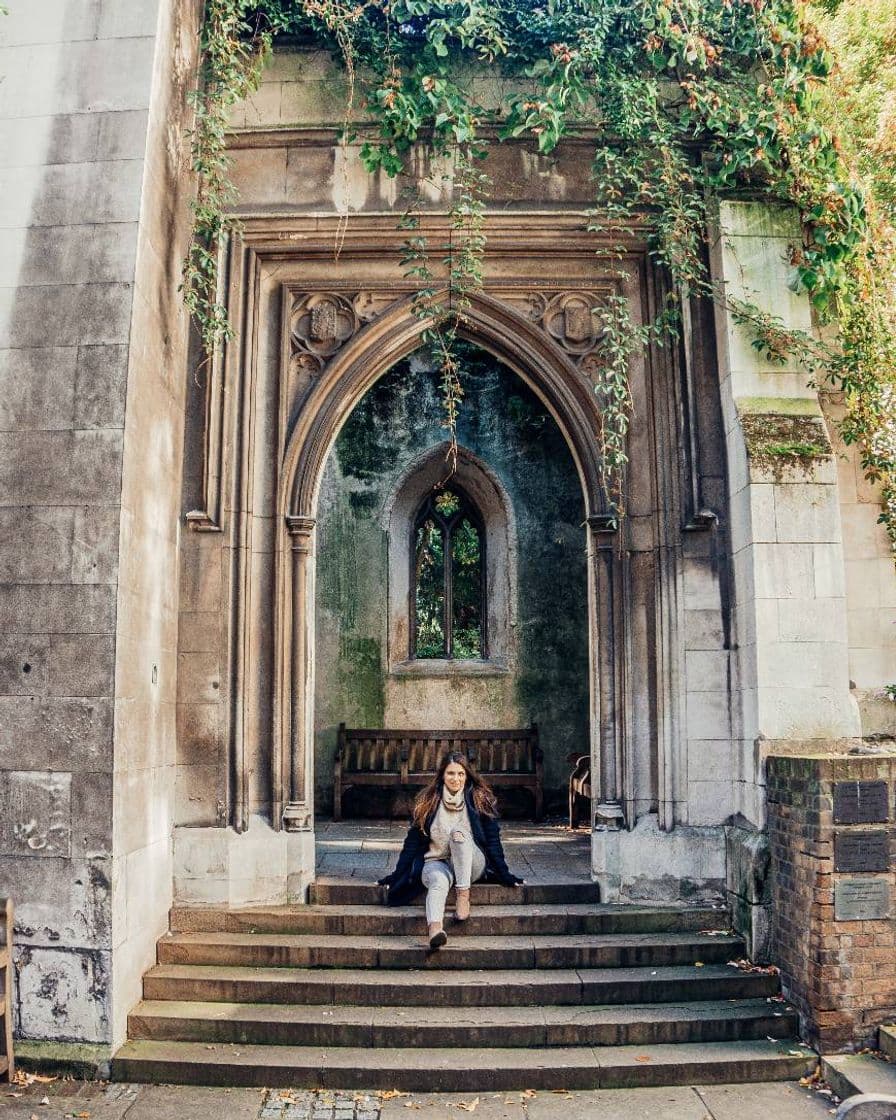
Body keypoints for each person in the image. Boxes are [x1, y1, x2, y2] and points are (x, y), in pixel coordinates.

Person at [377, 751, 524, 950]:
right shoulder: (428, 801)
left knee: (458, 834)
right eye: (451, 774)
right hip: (436, 862)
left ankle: (463, 897)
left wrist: (505, 874)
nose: (456, 779)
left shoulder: (478, 799)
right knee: (437, 881)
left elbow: (492, 841)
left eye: (461, 774)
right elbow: (412, 844)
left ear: (467, 776)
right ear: (442, 776)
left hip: (471, 863)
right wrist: (395, 876)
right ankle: (435, 930)